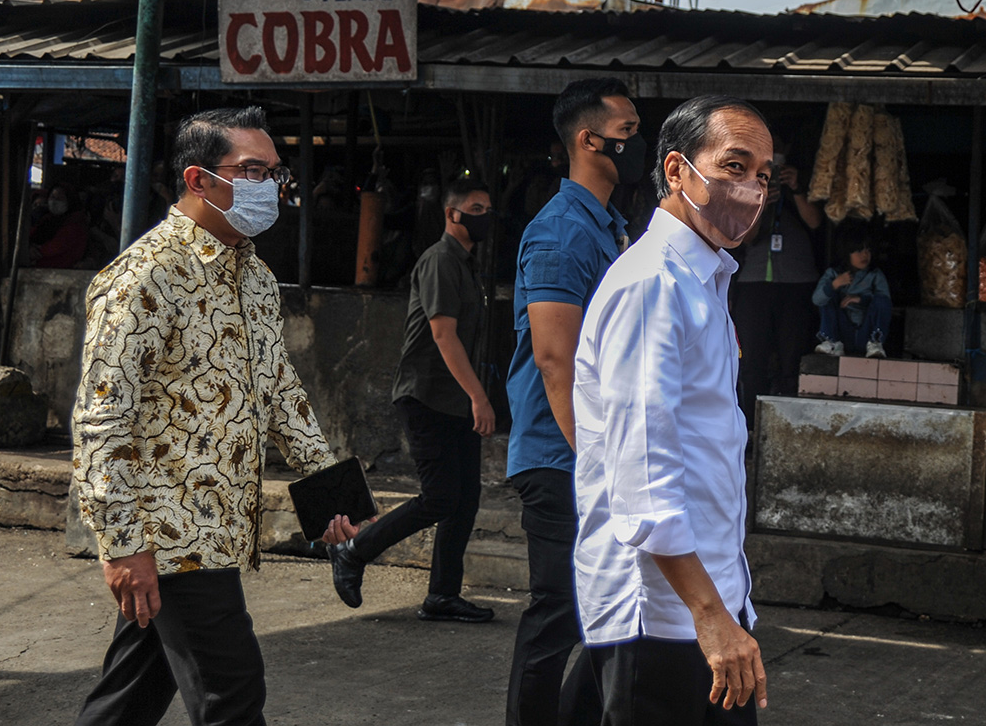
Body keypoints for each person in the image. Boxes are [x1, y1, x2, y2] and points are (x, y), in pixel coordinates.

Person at [71, 106, 351, 726]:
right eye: (252, 171)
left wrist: (333, 492)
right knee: (233, 693)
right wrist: (122, 547)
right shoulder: (144, 278)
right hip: (169, 533)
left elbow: (280, 391)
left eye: (275, 173)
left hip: (220, 524)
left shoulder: (252, 274)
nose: (270, 187)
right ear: (199, 180)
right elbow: (102, 422)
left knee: (132, 694)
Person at [573, 94, 771, 725]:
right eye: (735, 166)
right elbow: (644, 482)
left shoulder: (702, 281)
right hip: (661, 617)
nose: (751, 188)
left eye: (764, 175)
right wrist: (710, 616)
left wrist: (726, 609)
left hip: (706, 603)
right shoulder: (654, 283)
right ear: (679, 170)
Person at [505, 77, 642, 726]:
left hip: (596, 454)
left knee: (612, 610)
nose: (641, 143)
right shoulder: (561, 232)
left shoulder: (612, 227)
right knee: (559, 612)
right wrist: (597, 463)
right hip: (564, 457)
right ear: (589, 139)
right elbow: (555, 360)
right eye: (630, 131)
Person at [325, 178, 496, 623]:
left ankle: (442, 595)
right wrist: (480, 397)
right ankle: (353, 550)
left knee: (465, 499)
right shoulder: (440, 260)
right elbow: (443, 335)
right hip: (427, 395)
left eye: (487, 209)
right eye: (475, 208)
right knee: (441, 497)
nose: (484, 216)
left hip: (453, 399)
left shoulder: (467, 264)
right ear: (451, 213)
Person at [730, 135, 822, 425]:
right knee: (752, 360)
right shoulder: (750, 182)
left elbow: (816, 223)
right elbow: (748, 237)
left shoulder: (803, 185)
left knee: (791, 359)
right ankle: (751, 428)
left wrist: (796, 189)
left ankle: (786, 427)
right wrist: (760, 199)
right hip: (753, 283)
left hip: (797, 282)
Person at [812, 228, 892, 359]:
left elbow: (885, 302)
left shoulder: (875, 275)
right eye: (859, 250)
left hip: (866, 333)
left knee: (882, 300)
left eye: (868, 250)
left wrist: (861, 299)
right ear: (846, 253)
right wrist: (834, 285)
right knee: (826, 298)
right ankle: (832, 341)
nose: (865, 255)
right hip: (843, 333)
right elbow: (817, 300)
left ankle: (875, 343)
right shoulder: (833, 273)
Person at [30, 183, 89, 268]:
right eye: (52, 197)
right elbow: (31, 233)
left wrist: (33, 252)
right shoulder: (47, 219)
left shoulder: (76, 222)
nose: (54, 201)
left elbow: (54, 248)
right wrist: (29, 246)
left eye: (60, 198)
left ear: (69, 200)